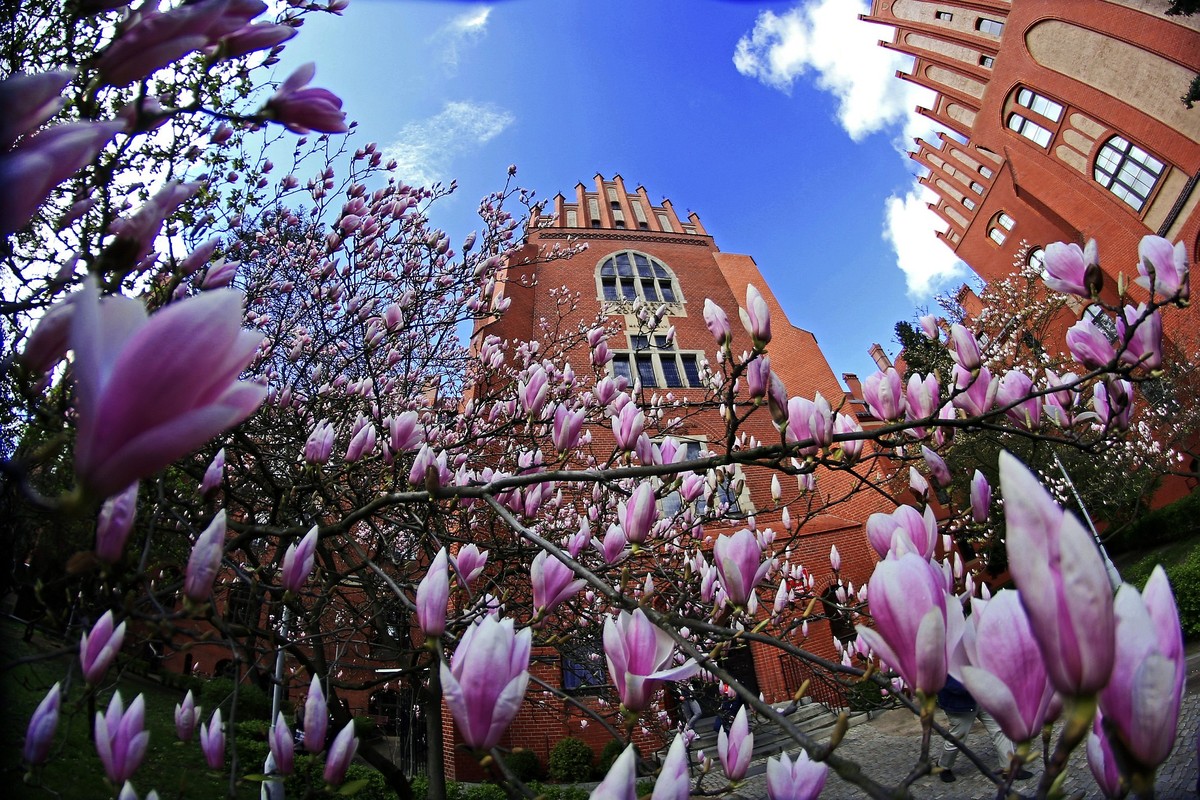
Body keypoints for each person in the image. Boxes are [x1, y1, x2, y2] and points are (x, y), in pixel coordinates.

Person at [936, 676, 1032, 783]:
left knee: (1000, 730)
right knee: (957, 739)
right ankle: (943, 766)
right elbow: (949, 681)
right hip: (960, 704)